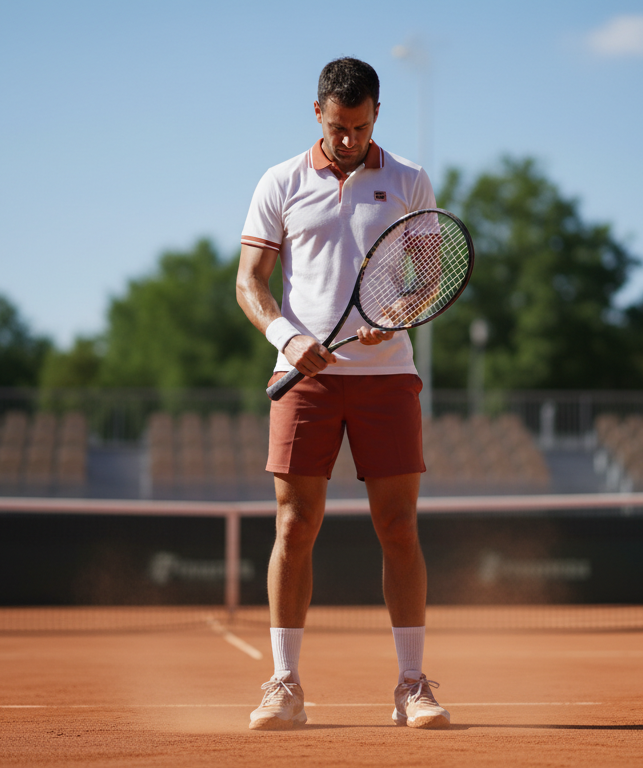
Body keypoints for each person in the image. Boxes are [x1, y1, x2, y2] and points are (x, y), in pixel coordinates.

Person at [235, 57, 450, 731]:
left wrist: (396, 314)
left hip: (387, 376)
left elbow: (431, 277)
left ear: (376, 114)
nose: (349, 139)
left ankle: (412, 685)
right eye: (337, 126)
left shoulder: (410, 179)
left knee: (398, 527)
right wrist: (287, 338)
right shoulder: (280, 181)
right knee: (295, 526)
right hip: (305, 379)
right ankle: (284, 685)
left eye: (359, 126)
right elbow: (249, 281)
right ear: (318, 114)